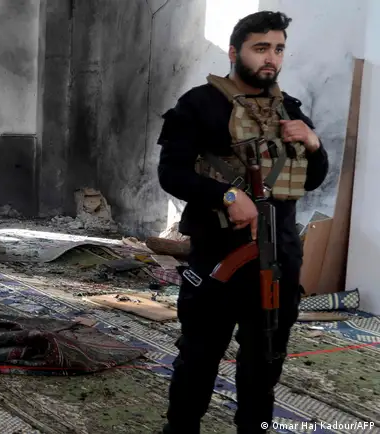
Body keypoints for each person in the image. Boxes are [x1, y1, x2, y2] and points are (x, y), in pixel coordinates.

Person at [155, 11, 329, 434]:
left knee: (265, 360)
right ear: (235, 52)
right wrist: (227, 195)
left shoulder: (289, 110)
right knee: (199, 356)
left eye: (279, 49)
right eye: (261, 48)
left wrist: (314, 143)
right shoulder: (199, 105)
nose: (272, 58)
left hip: (279, 255)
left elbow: (312, 179)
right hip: (218, 253)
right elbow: (172, 173)